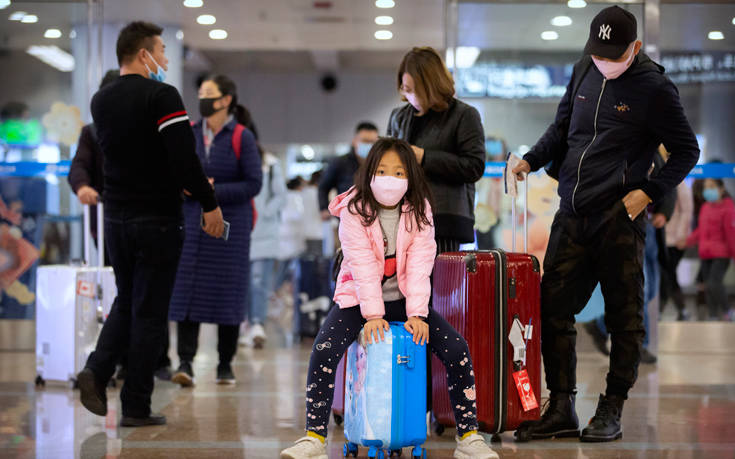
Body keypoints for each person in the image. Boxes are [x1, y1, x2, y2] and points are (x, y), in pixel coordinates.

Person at [512, 6, 699, 443]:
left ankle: (611, 407)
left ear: (635, 47)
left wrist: (648, 192)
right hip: (572, 214)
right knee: (552, 307)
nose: (604, 62)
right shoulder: (584, 68)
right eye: (598, 53)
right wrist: (531, 159)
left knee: (624, 319)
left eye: (614, 55)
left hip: (619, 219)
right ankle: (562, 406)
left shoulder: (655, 88)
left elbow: (687, 150)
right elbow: (562, 127)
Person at [279, 138, 498, 459]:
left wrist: (418, 315)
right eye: (381, 171)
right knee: (323, 351)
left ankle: (469, 437)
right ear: (369, 172)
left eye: (398, 172)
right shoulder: (354, 209)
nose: (389, 179)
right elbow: (362, 266)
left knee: (457, 349)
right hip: (358, 299)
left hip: (406, 300)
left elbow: (421, 264)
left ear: (410, 175)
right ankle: (314, 437)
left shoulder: (420, 209)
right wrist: (372, 316)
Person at [76, 21, 225, 427]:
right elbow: (183, 158)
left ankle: (96, 370)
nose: (165, 60)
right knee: (150, 312)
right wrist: (209, 203)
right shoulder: (162, 95)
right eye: (161, 51)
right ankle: (136, 405)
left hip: (116, 218)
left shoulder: (101, 101)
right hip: (157, 218)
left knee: (128, 300)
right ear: (143, 54)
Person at [69, 68, 174, 382]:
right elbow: (79, 166)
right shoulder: (92, 133)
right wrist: (83, 187)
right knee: (129, 294)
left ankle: (151, 361)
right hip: (111, 224)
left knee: (140, 294)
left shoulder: (150, 129)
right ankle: (121, 365)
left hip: (147, 222)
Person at [168, 75, 263, 387]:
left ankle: (225, 364)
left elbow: (253, 184)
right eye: (201, 93)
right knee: (186, 291)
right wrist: (188, 188)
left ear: (226, 100)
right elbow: (174, 171)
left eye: (209, 93)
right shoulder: (189, 132)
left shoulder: (242, 137)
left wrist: (212, 190)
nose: (203, 99)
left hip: (230, 228)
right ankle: (185, 362)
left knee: (228, 292)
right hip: (191, 224)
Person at [387, 46, 485, 254]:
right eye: (406, 89)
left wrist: (424, 157)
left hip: (444, 220)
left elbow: (474, 167)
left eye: (416, 90)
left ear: (432, 86)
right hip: (402, 218)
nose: (411, 96)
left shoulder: (463, 115)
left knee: (439, 275)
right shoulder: (399, 117)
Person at [584, 151, 677, 364]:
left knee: (649, 291)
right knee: (640, 287)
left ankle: (601, 324)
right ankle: (638, 346)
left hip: (651, 227)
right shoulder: (623, 149)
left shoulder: (655, 152)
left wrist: (665, 212)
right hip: (629, 226)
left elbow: (670, 185)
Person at [243, 136, 287, 349]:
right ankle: (243, 323)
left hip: (265, 235)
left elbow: (281, 196)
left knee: (258, 282)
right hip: (242, 233)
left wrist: (265, 212)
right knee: (242, 283)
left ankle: (257, 323)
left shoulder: (270, 165)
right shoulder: (237, 162)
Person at [686, 179, 735, 321]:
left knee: (714, 283)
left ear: (721, 189)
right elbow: (700, 230)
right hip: (705, 253)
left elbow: (731, 234)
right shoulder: (705, 207)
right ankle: (712, 315)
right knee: (708, 285)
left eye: (712, 187)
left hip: (721, 254)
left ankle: (728, 311)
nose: (708, 190)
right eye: (706, 187)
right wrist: (688, 241)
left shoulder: (728, 208)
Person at [318, 122, 379, 220]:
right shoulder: (340, 162)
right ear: (355, 141)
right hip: (346, 216)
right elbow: (323, 186)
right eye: (365, 141)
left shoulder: (380, 164)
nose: (369, 145)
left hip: (373, 217)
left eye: (372, 142)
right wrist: (324, 208)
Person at [660, 176, 694, 320]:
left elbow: (686, 211)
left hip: (675, 241)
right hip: (662, 238)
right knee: (666, 275)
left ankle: (670, 309)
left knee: (668, 275)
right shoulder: (661, 180)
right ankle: (678, 310)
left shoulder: (680, 183)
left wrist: (681, 235)